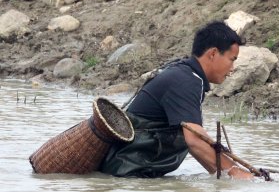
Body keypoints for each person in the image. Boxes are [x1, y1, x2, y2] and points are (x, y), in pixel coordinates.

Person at [100, 21, 254, 179]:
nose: (233, 68)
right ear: (213, 53)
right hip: (126, 174)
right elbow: (195, 141)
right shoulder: (187, 81)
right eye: (232, 59)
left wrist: (227, 175)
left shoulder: (185, 74)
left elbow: (198, 145)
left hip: (126, 170)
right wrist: (241, 175)